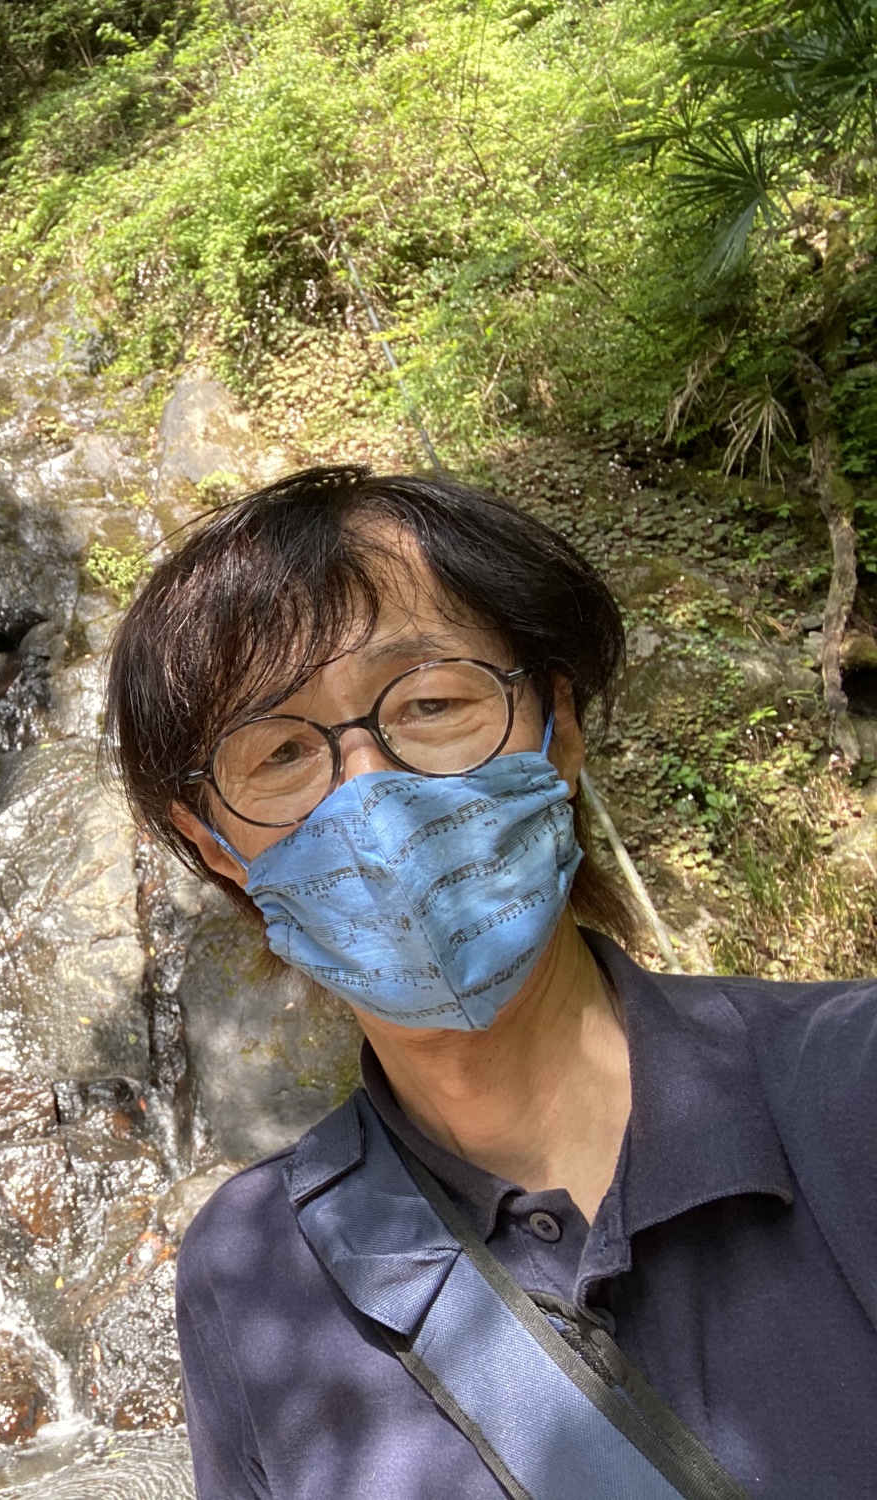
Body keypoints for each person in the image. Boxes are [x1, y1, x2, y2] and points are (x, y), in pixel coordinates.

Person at [104, 465, 877, 1499]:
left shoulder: (850, 1089)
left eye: (430, 701)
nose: (370, 794)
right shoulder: (250, 1272)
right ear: (214, 846)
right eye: (280, 752)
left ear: (559, 727)